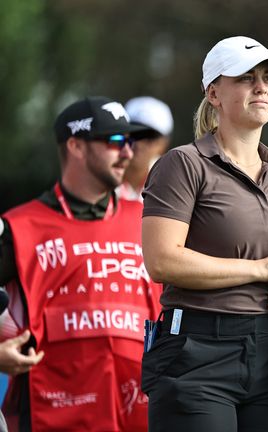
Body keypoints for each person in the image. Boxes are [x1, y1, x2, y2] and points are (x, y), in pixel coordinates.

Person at [140, 36, 268, 432]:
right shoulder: (182, 164)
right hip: (197, 351)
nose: (261, 87)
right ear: (213, 93)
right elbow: (162, 260)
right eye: (246, 78)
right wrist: (262, 269)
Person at [0, 96, 162, 431]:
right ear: (75, 145)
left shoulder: (152, 221)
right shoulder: (19, 227)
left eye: (131, 141)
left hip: (141, 414)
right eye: (115, 141)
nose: (128, 153)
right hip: (52, 414)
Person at [117, 96, 175, 201]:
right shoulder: (100, 175)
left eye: (149, 137)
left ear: (163, 145)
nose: (138, 143)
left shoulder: (173, 184)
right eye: (134, 133)